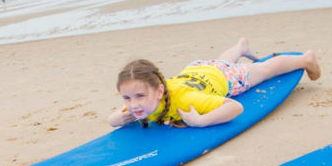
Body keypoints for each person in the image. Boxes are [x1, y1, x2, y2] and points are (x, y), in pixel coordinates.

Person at [109, 37, 321, 128]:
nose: (133, 104)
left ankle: (306, 59)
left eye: (139, 96)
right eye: (126, 98)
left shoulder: (187, 101)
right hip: (196, 71)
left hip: (224, 77)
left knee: (264, 70)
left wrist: (201, 121)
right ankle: (241, 47)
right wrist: (116, 119)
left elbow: (235, 107)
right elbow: (115, 118)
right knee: (220, 62)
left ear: (159, 91)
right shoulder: (141, 100)